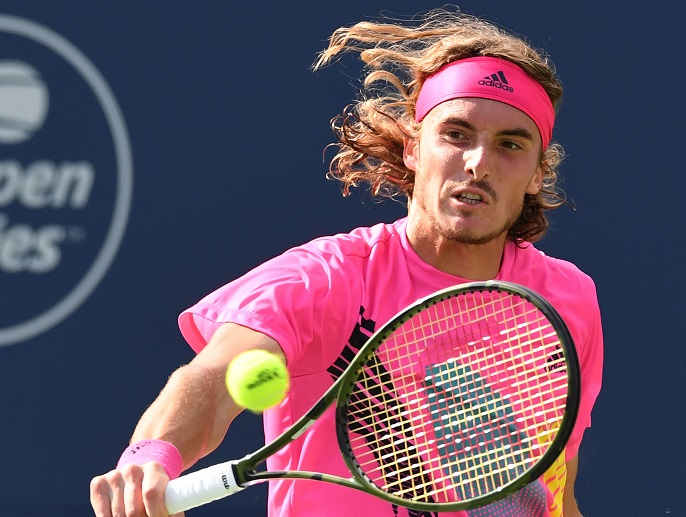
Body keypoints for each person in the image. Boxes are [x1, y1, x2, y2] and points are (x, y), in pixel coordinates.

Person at [90, 7, 603, 517]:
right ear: (412, 149)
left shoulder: (567, 300)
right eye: (456, 134)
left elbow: (557, 492)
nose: (478, 163)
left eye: (510, 144)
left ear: (538, 171)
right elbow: (214, 378)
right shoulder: (325, 278)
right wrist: (150, 458)